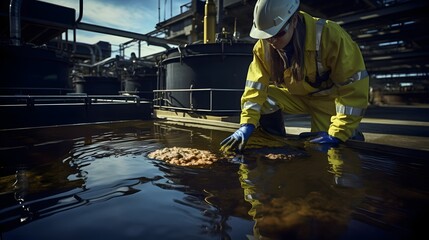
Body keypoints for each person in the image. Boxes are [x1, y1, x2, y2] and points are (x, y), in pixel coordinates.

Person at [220, 0, 369, 153]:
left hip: (328, 101)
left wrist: (340, 132)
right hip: (297, 96)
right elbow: (254, 88)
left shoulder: (330, 36)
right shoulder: (263, 47)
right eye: (267, 36)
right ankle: (276, 143)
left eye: (278, 34)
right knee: (265, 97)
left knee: (321, 149)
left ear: (294, 20)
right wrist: (247, 124)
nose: (272, 41)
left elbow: (353, 88)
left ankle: (351, 135)